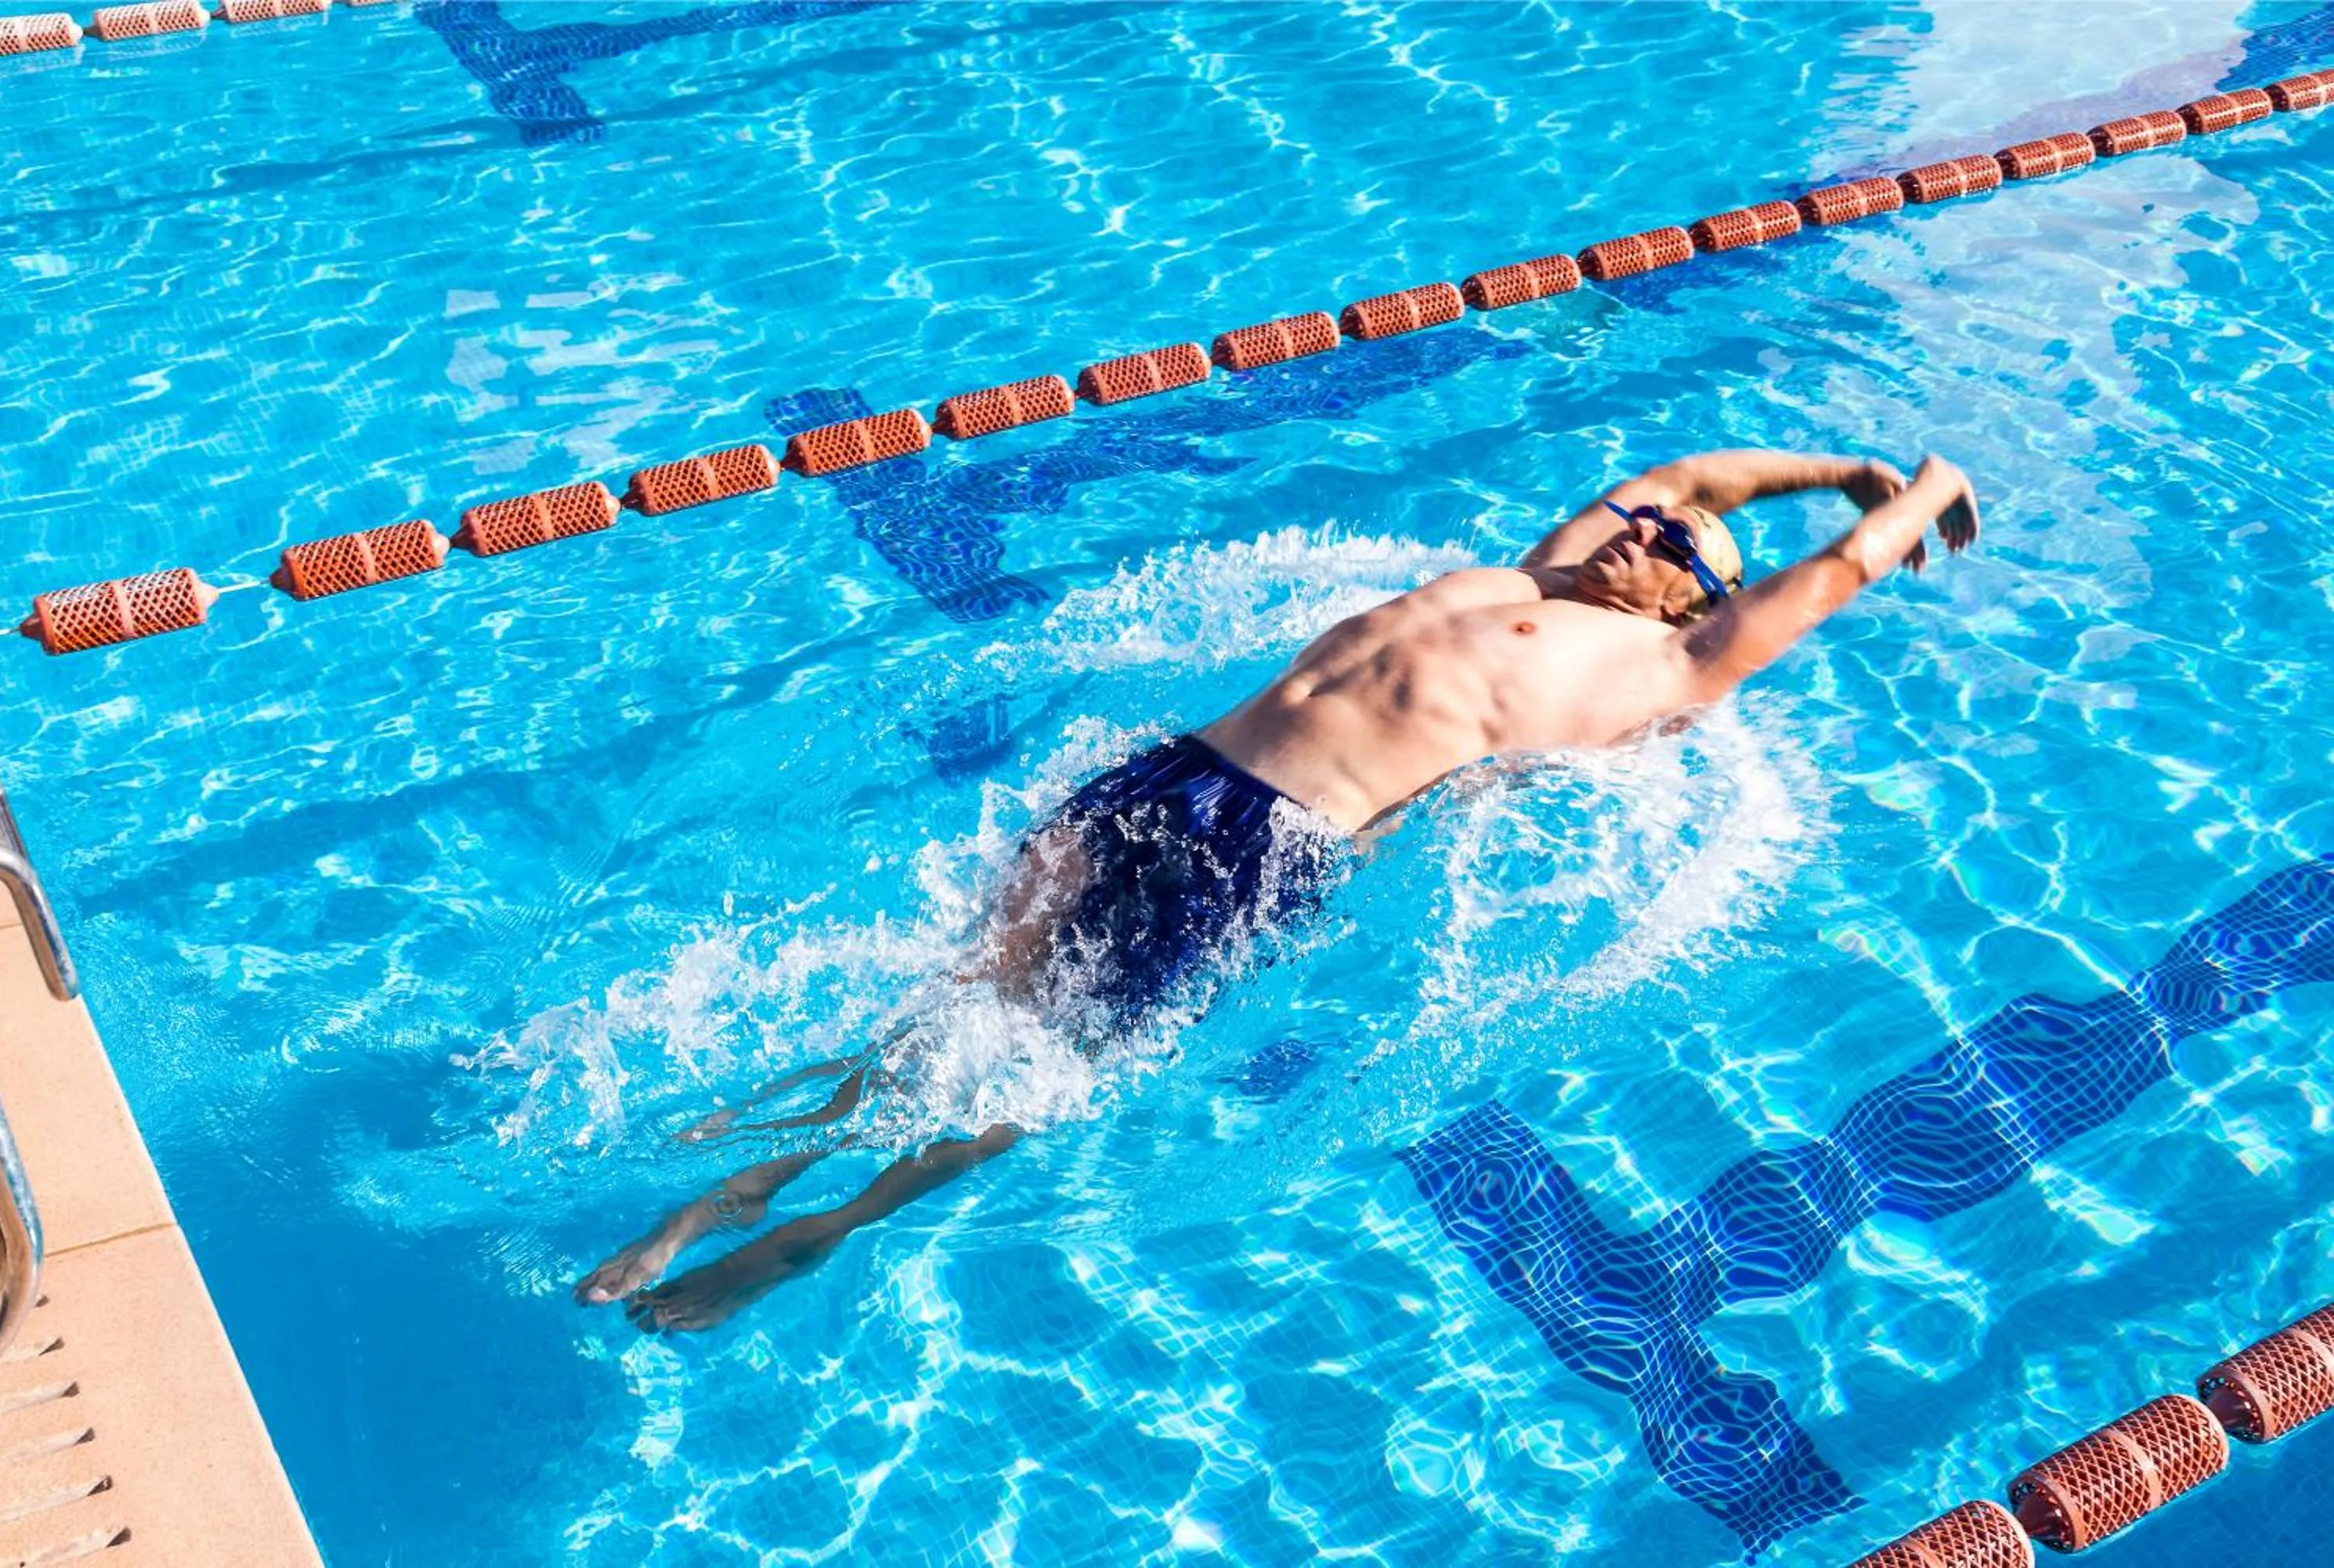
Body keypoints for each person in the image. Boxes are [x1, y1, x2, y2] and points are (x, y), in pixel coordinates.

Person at [577, 449, 1982, 1331]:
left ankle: (819, 1232)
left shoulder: (1661, 672)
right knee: (965, 996)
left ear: (1690, 610)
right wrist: (1838, 463)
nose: (1660, 533)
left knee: (1035, 1067)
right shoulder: (1539, 575)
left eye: (1682, 557)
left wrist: (1913, 496)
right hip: (1169, 772)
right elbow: (1697, 474)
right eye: (1661, 534)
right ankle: (748, 1177)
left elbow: (1829, 575)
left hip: (1265, 849)